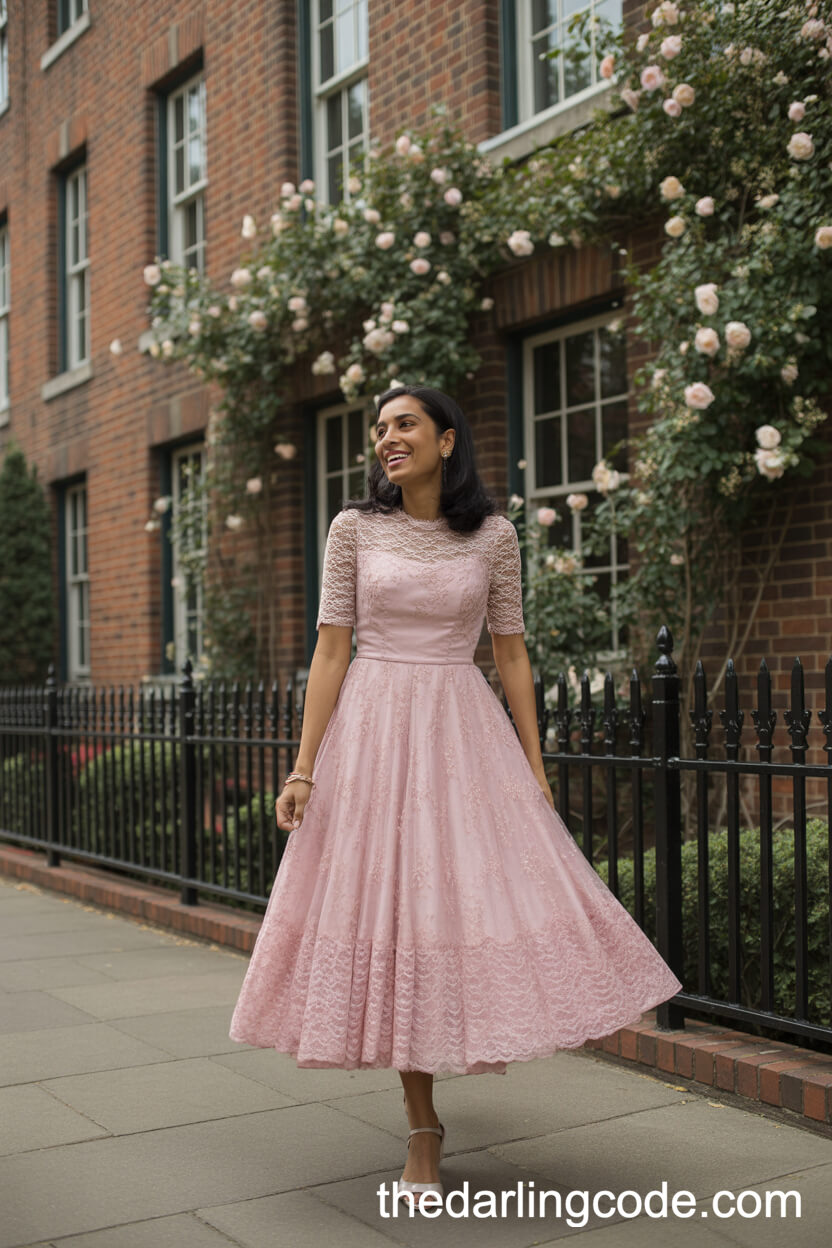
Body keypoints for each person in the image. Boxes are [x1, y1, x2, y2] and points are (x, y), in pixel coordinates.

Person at [228, 383, 682, 1208]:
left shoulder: (495, 537)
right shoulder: (353, 529)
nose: (386, 439)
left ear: (446, 439)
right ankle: (422, 1123)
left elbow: (510, 654)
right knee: (394, 915)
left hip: (463, 734)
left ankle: (462, 1050)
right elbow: (331, 653)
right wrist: (303, 769)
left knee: (460, 914)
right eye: (379, 430)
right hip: (372, 733)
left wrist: (537, 771)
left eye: (404, 425)